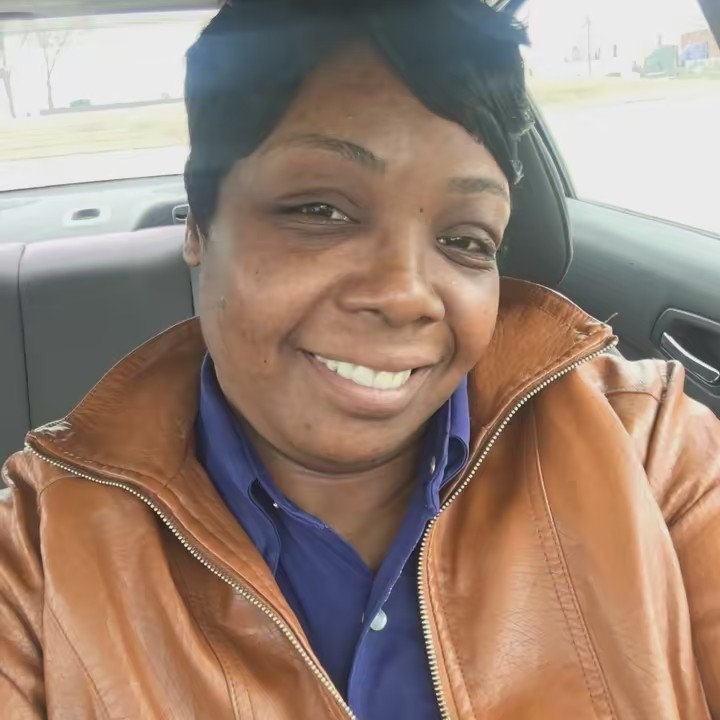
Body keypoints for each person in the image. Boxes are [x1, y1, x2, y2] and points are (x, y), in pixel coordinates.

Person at [1, 0, 719, 718]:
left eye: (466, 240)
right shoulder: (39, 548)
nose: (406, 296)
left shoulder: (646, 446)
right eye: (319, 210)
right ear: (199, 224)